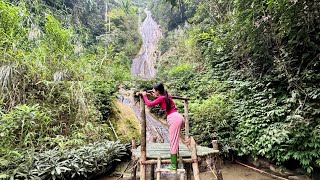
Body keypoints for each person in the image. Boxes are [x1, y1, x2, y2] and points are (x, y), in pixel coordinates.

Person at [142, 82, 185, 171]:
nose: (153, 91)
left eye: (154, 90)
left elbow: (149, 104)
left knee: (173, 142)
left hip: (173, 119)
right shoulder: (166, 95)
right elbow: (159, 97)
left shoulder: (161, 98)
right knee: (175, 139)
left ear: (158, 91)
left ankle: (173, 166)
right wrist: (153, 93)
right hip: (179, 117)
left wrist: (144, 95)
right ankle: (177, 155)